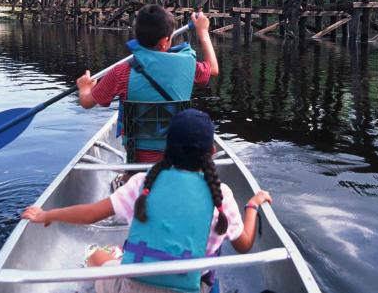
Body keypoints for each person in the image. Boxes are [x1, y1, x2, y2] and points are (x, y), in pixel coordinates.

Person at [21, 109, 272, 293]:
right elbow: (244, 245)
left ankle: (113, 256)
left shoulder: (142, 183)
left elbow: (89, 214)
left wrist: (47, 215)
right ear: (212, 153)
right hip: (192, 287)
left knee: (96, 256)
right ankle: (118, 256)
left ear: (168, 148)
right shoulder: (222, 194)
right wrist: (252, 205)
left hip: (133, 288)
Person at [76, 4, 219, 165]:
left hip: (136, 162)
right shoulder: (189, 66)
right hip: (176, 158)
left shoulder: (121, 72)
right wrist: (203, 32)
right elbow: (213, 69)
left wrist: (85, 88)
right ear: (165, 41)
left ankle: (128, 176)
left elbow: (86, 102)